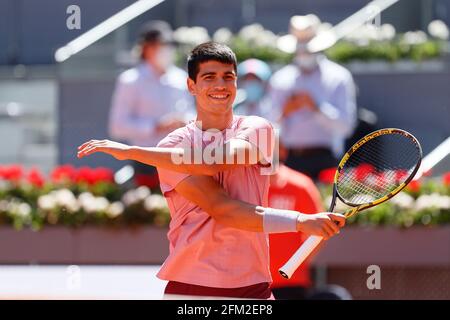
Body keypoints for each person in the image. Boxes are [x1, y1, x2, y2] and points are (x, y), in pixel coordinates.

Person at [77, 42, 345, 300]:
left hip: (253, 287)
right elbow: (223, 208)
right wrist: (299, 221)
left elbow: (218, 160)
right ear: (191, 85)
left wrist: (132, 152)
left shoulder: (259, 129)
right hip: (191, 286)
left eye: (228, 77)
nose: (220, 85)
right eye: (209, 77)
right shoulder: (171, 145)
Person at [270, 14, 357, 180]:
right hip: (290, 158)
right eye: (300, 49)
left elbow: (346, 127)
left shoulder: (339, 77)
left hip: (325, 158)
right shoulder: (280, 79)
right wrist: (284, 113)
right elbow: (269, 127)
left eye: (308, 48)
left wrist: (316, 108)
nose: (304, 54)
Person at [108, 20, 194, 188]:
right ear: (146, 48)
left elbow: (192, 114)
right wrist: (155, 126)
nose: (167, 51)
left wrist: (184, 122)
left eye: (169, 45)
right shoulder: (130, 80)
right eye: (161, 45)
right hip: (145, 161)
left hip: (180, 159)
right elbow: (117, 126)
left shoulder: (180, 78)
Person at [268, 163, 324, 299]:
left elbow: (318, 232)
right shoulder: (245, 185)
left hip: (290, 282)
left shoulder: (300, 184)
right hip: (250, 281)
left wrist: (296, 262)